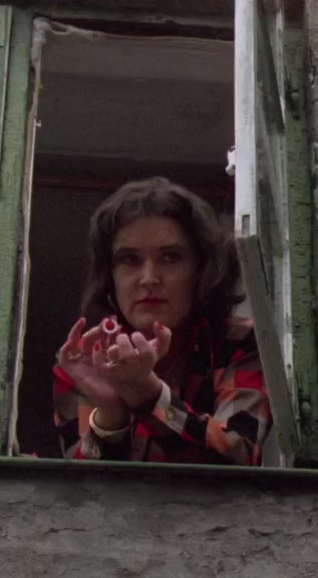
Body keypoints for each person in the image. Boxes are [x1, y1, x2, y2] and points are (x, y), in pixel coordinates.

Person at [53, 177, 271, 465]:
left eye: (170, 257)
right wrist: (110, 417)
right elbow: (78, 485)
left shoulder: (239, 344)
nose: (149, 279)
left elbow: (238, 455)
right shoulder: (86, 359)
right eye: (130, 260)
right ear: (110, 276)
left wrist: (147, 394)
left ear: (201, 269)